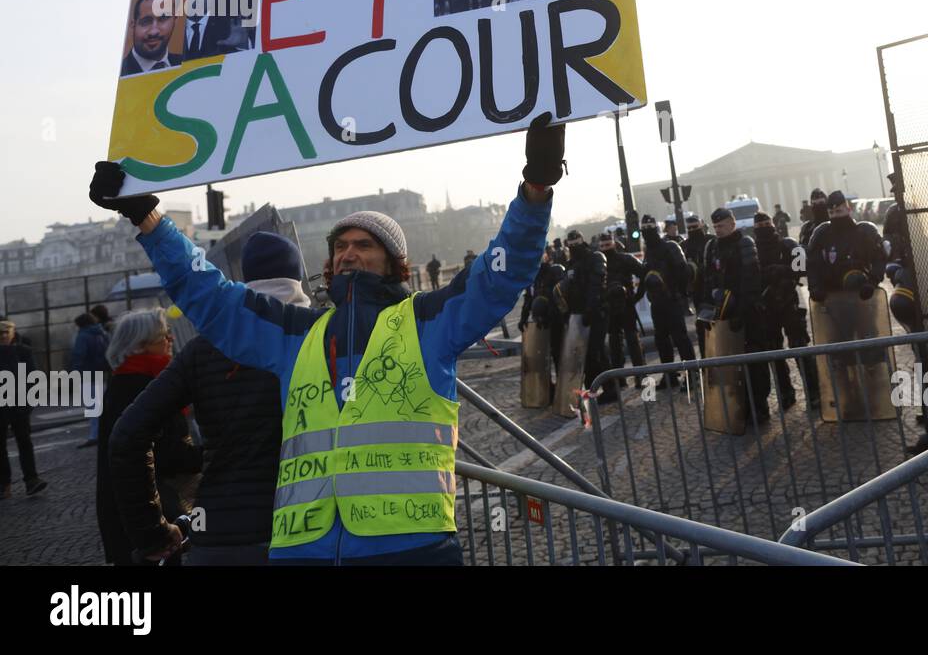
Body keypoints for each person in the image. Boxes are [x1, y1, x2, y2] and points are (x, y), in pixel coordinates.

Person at [88, 113, 565, 566]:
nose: (348, 254)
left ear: (396, 263)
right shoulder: (298, 332)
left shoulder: (426, 321)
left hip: (409, 548)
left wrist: (535, 189)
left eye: (364, 245)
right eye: (340, 246)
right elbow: (210, 296)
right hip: (302, 550)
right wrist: (149, 220)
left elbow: (498, 275)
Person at [109, 233, 311, 566]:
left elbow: (127, 437)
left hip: (218, 532)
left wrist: (151, 533)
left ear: (245, 279)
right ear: (299, 278)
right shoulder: (321, 338)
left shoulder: (202, 350)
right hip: (305, 528)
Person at [96, 308, 202, 565]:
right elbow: (165, 453)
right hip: (149, 514)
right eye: (164, 336)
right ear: (141, 344)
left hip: (139, 512)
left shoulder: (127, 380)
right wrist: (212, 453)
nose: (171, 340)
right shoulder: (143, 385)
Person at [698, 208, 767, 422]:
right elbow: (708, 279)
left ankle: (760, 407)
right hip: (723, 315)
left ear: (732, 224)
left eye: (721, 226)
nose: (718, 230)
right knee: (729, 366)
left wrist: (742, 311)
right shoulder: (712, 247)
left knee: (755, 362)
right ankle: (737, 406)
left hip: (747, 315)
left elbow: (752, 281)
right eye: (715, 226)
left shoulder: (745, 244)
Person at [753, 212, 814, 410]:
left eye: (766, 223)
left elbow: (803, 268)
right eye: (760, 224)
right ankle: (785, 393)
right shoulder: (752, 249)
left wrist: (782, 271)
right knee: (774, 352)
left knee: (800, 347)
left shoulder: (787, 244)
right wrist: (765, 276)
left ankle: (814, 393)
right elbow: (748, 277)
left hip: (791, 302)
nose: (764, 227)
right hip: (767, 307)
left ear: (773, 224)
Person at [555, 230, 613, 399]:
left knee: (598, 352)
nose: (574, 248)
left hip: (595, 312)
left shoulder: (594, 258)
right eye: (571, 246)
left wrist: (590, 309)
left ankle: (610, 389)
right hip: (578, 313)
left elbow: (597, 285)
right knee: (586, 355)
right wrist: (566, 312)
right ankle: (593, 388)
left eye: (576, 245)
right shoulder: (571, 264)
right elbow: (569, 289)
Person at [806, 190, 886, 310]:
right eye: (831, 212)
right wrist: (815, 287)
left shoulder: (864, 231)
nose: (835, 215)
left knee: (868, 327)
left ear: (848, 210)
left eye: (839, 211)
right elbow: (813, 263)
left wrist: (872, 282)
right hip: (832, 295)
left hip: (862, 293)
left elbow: (879, 258)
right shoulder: (822, 234)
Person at [638, 215, 695, 379]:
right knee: (661, 340)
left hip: (672, 299)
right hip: (657, 302)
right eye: (645, 229)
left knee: (680, 338)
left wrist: (680, 294)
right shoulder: (648, 251)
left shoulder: (670, 247)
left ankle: (692, 373)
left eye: (650, 228)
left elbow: (683, 272)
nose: (647, 232)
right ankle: (669, 374)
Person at [0, 320, 48, 499]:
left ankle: (31, 479)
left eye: (6, 332)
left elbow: (33, 377)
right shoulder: (23, 350)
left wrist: (28, 402)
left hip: (19, 403)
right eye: (0, 333)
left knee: (24, 442)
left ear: (12, 333)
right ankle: (4, 484)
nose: (4, 336)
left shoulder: (23, 351)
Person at [597, 231, 646, 378]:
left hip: (626, 306)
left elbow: (644, 273)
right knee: (614, 344)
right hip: (609, 307)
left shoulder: (625, 259)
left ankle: (640, 375)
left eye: (608, 244)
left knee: (633, 341)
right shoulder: (598, 263)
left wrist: (637, 296)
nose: (606, 247)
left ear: (613, 243)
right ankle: (618, 378)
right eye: (603, 245)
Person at [520, 247, 568, 391]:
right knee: (541, 356)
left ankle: (563, 386)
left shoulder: (554, 272)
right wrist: (523, 318)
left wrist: (552, 314)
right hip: (539, 321)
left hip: (555, 320)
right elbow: (529, 298)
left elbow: (560, 297)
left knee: (558, 353)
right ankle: (547, 388)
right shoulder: (531, 277)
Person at [70, 312, 111, 447]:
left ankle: (95, 435)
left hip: (87, 374)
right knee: (102, 405)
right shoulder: (102, 333)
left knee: (92, 407)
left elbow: (79, 355)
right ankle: (106, 433)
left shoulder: (83, 336)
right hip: (102, 373)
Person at [121, 0, 182, 75]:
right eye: (146, 22)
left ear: (174, 20)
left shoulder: (187, 65)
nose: (154, 32)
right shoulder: (119, 74)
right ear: (133, 26)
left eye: (163, 19)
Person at [682, 213, 713, 356]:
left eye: (695, 227)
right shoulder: (684, 246)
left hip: (715, 289)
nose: (692, 230)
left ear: (701, 225)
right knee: (702, 328)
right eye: (689, 228)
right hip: (697, 293)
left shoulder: (711, 241)